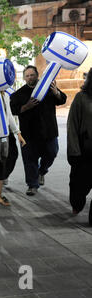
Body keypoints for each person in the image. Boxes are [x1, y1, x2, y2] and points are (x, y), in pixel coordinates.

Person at [11, 65, 67, 196]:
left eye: (32, 75)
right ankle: (32, 185)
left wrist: (56, 93)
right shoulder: (18, 94)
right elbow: (13, 110)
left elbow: (62, 100)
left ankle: (42, 171)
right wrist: (26, 106)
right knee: (29, 160)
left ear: (37, 75)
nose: (30, 77)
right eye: (27, 75)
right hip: (28, 134)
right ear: (24, 78)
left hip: (49, 131)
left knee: (52, 153)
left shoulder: (47, 88)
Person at [67, 68, 92, 226]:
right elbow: (72, 126)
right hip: (85, 151)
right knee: (79, 187)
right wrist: (74, 151)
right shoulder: (81, 98)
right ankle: (77, 205)